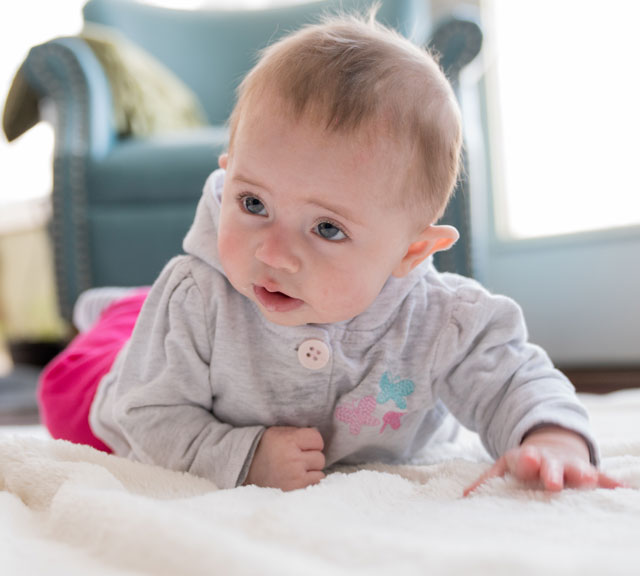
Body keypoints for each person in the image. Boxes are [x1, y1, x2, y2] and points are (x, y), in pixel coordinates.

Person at [39, 14, 620, 495]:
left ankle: (133, 310)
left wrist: (551, 438)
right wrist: (242, 455)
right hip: (146, 342)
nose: (274, 252)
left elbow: (513, 376)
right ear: (228, 176)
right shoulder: (198, 296)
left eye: (326, 228)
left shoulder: (445, 319)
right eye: (253, 202)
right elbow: (142, 415)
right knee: (68, 401)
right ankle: (125, 315)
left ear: (411, 250)